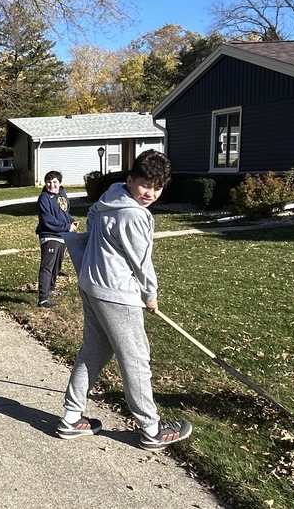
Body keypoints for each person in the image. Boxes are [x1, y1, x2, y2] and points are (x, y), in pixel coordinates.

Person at [54, 150, 193, 451]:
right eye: (145, 185)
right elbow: (142, 263)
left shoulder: (110, 196)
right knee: (135, 358)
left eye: (157, 188)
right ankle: (152, 429)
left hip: (91, 284)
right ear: (130, 180)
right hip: (116, 293)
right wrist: (150, 295)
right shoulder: (134, 215)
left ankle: (71, 418)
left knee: (94, 351)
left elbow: (92, 218)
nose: (150, 193)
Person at [34, 170, 78, 309]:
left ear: (60, 183)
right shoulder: (44, 198)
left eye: (54, 182)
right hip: (49, 235)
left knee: (56, 266)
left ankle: (51, 288)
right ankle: (43, 299)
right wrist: (67, 226)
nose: (51, 185)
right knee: (47, 266)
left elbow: (64, 212)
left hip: (62, 235)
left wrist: (71, 221)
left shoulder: (62, 194)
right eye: (49, 182)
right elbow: (47, 219)